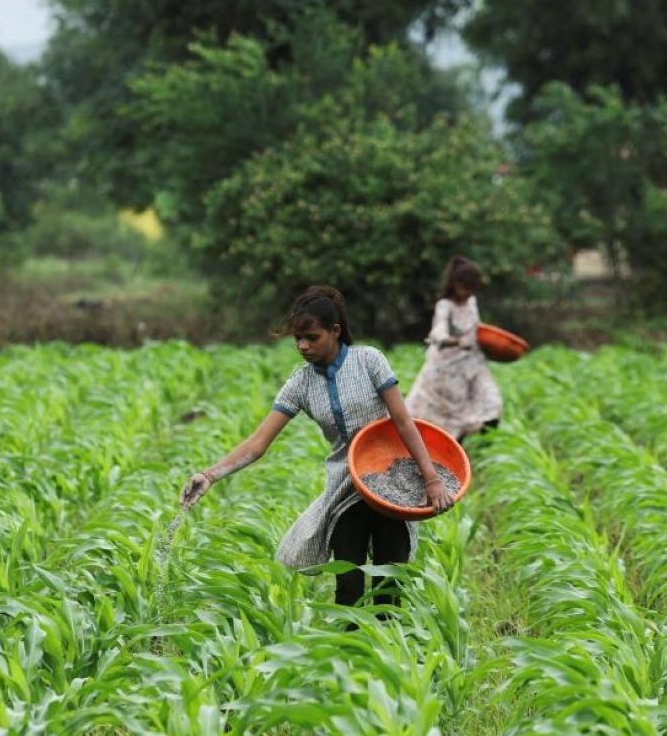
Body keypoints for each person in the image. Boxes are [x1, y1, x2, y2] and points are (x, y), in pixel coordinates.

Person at [180, 285, 453, 607]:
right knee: (348, 587)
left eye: (312, 337)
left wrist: (432, 480)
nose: (302, 346)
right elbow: (258, 442)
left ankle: (386, 651)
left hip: (391, 484)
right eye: (298, 338)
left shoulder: (369, 361)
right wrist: (209, 476)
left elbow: (404, 423)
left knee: (388, 587)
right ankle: (347, 652)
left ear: (335, 331)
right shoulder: (301, 383)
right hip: (345, 489)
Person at [406, 256, 502, 443]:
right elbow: (438, 333)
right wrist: (456, 341)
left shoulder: (471, 302)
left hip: (472, 364)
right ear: (454, 283)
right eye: (465, 288)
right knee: (445, 417)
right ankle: (449, 450)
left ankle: (474, 440)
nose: (467, 293)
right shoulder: (445, 306)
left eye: (471, 289)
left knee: (491, 401)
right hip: (446, 371)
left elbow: (477, 326)